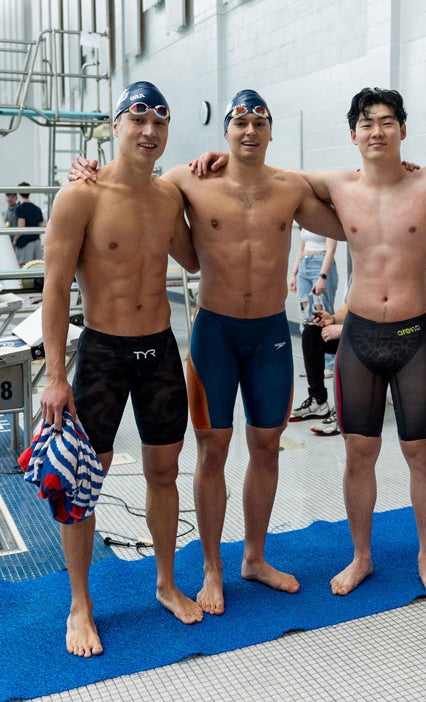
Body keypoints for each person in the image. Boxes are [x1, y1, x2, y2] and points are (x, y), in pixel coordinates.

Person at [190, 87, 426, 601]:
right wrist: (222, 156)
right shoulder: (334, 185)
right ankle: (361, 556)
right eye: (366, 124)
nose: (376, 131)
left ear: (403, 130)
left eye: (387, 122)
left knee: (421, 454)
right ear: (352, 134)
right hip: (361, 334)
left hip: (415, 335)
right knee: (358, 454)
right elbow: (265, 174)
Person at [68, 88, 345, 616]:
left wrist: (389, 174)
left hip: (269, 336)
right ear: (224, 133)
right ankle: (212, 568)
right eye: (238, 122)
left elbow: (349, 218)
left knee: (267, 447)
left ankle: (256, 559)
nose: (248, 131)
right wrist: (87, 169)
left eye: (259, 122)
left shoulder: (290, 188)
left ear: (270, 131)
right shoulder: (186, 181)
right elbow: (125, 181)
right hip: (213, 333)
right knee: (210, 451)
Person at [42, 81, 204, 658]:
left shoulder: (167, 198)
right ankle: (80, 604)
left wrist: (201, 176)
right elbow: (56, 289)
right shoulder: (80, 196)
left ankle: (165, 583)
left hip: (158, 349)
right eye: (138, 119)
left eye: (160, 122)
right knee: (85, 483)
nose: (149, 131)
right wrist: (56, 375)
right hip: (104, 354)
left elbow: (191, 255)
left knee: (165, 471)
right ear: (115, 126)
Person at [288, 226, 338, 382]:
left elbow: (331, 250)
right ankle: (312, 363)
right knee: (305, 315)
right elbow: (300, 248)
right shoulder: (308, 220)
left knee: (323, 313)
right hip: (305, 264)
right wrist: (293, 274)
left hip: (321, 264)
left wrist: (322, 276)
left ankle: (329, 364)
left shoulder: (328, 217)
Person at [302, 300, 348, 436]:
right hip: (354, 329)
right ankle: (318, 400)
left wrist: (345, 329)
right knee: (311, 333)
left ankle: (345, 411)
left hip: (379, 336)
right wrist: (332, 319)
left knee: (351, 340)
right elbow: (348, 307)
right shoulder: (355, 278)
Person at [14, 182, 44, 265]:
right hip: (36, 242)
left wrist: (15, 239)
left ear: (18, 193)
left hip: (25, 243)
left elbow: (21, 227)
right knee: (36, 269)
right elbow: (42, 225)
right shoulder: (36, 208)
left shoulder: (20, 208)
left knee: (24, 269)